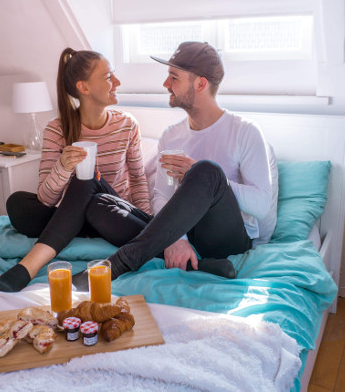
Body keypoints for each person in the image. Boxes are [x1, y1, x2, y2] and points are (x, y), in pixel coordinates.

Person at [72, 41, 277, 289]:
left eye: (173, 77)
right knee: (100, 203)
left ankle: (120, 262)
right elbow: (161, 196)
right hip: (181, 232)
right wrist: (176, 238)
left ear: (200, 84)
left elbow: (262, 205)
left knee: (206, 171)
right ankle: (199, 265)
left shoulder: (245, 131)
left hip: (226, 238)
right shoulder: (171, 136)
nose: (165, 84)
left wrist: (197, 172)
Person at [0, 48, 151, 292]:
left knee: (87, 180)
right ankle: (68, 228)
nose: (117, 82)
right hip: (78, 216)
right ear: (84, 87)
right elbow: (46, 199)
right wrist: (63, 166)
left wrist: (147, 224)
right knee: (18, 204)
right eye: (108, 77)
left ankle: (26, 268)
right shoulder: (56, 129)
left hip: (112, 214)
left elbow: (138, 179)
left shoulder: (126, 124)